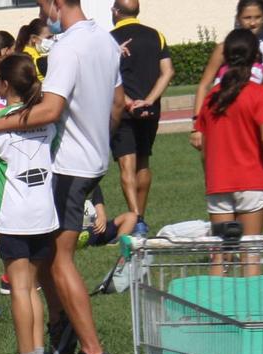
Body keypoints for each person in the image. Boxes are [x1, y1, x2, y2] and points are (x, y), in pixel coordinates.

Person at [0, 0, 121, 354]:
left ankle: (89, 349)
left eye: (42, 5)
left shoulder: (68, 46)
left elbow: (51, 109)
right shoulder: (104, 39)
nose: (43, 15)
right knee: (49, 257)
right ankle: (62, 333)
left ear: (57, 3)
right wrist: (99, 138)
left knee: (58, 259)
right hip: (94, 159)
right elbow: (118, 102)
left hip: (71, 166)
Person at [0, 54, 68, 354]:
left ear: (3, 85)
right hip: (45, 214)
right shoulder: (48, 122)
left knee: (19, 288)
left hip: (14, 216)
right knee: (32, 288)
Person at [193, 28, 263, 246]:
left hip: (218, 182)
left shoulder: (213, 96)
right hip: (252, 179)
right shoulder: (260, 94)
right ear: (255, 58)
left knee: (219, 254)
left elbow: (203, 145)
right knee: (250, 252)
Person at [112, 0, 174, 232]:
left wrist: (129, 104)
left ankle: (136, 218)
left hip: (123, 111)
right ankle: (141, 217)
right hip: (150, 110)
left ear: (116, 12)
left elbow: (108, 77)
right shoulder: (156, 35)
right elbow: (167, 72)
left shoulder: (109, 39)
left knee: (126, 166)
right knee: (144, 161)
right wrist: (149, 100)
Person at [197, 1, 263, 107]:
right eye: (247, 18)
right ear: (238, 19)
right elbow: (204, 85)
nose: (253, 23)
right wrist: (197, 118)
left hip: (249, 113)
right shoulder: (223, 48)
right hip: (222, 110)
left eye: (257, 17)